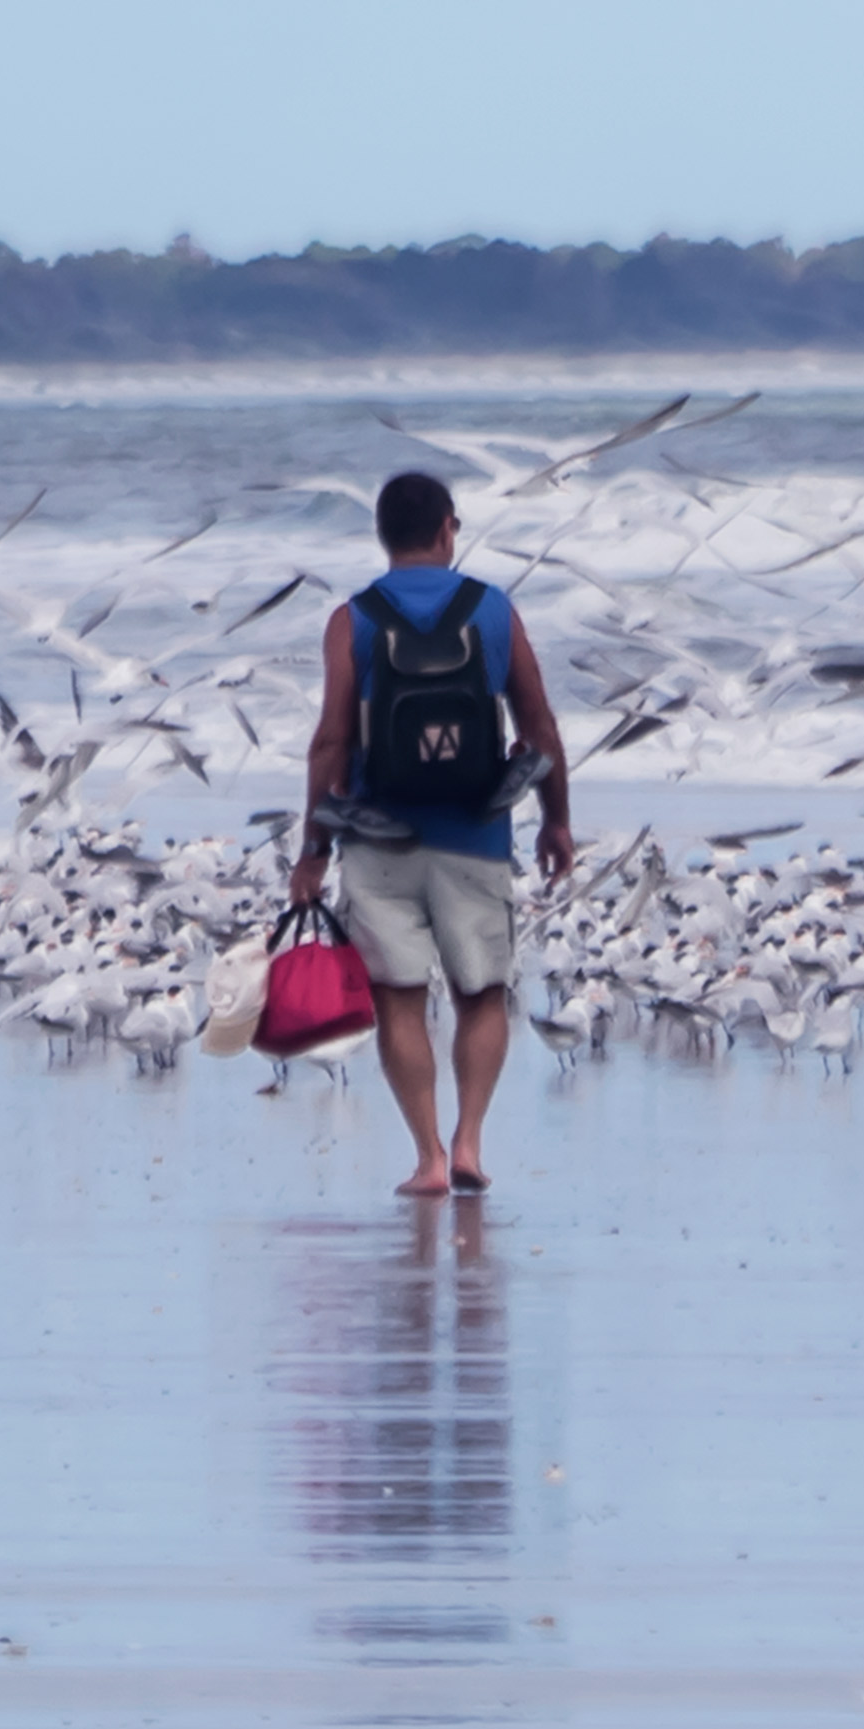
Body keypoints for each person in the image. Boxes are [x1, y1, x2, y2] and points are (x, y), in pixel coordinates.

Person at [289, 470, 574, 1199]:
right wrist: (556, 821)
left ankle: (429, 1159)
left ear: (382, 536)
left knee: (399, 998)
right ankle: (470, 1139)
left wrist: (313, 852)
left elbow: (330, 743)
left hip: (378, 840)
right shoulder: (493, 609)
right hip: (475, 835)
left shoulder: (352, 619)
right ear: (449, 528)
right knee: (482, 994)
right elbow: (539, 725)